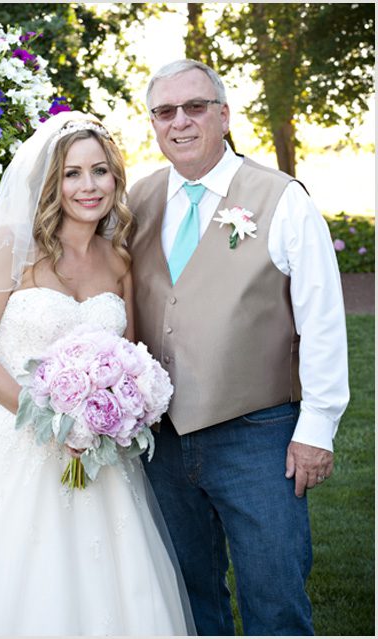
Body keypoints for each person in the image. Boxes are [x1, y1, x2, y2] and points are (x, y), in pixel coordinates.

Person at [0, 111, 193, 636]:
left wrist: (120, 405)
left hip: (103, 459)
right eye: (72, 174)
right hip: (21, 447)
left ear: (116, 178)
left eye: (100, 171)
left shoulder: (119, 261)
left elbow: (131, 353)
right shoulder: (13, 250)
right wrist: (51, 420)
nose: (88, 186)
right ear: (51, 183)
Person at [129, 59, 349, 635]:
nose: (181, 121)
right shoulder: (138, 200)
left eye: (196, 107)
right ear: (153, 122)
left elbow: (322, 318)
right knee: (187, 597)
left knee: (273, 596)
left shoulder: (282, 199)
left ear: (224, 116)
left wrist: (317, 427)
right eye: (165, 111)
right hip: (161, 439)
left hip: (259, 435)